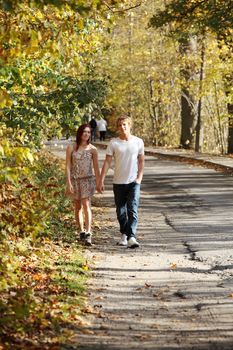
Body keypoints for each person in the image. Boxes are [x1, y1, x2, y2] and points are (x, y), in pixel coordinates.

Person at [97, 115, 144, 248]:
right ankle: (124, 234)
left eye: (125, 124)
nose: (122, 127)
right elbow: (107, 162)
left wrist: (139, 178)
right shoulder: (114, 143)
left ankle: (132, 237)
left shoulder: (138, 142)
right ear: (117, 128)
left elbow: (141, 161)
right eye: (120, 125)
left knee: (132, 209)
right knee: (120, 211)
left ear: (130, 125)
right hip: (118, 182)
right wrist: (101, 180)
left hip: (133, 182)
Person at [65, 124, 100, 246]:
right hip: (75, 180)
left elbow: (96, 167)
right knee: (77, 206)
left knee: (86, 204)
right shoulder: (72, 148)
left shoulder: (92, 149)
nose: (86, 134)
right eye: (84, 132)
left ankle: (89, 232)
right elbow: (68, 166)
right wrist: (68, 182)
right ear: (80, 133)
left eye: (89, 132)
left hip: (87, 180)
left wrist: (99, 182)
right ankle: (81, 231)